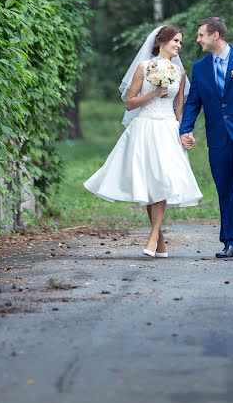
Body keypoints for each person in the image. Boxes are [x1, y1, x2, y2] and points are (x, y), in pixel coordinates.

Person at [84, 25, 202, 258]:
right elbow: (129, 103)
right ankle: (159, 241)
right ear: (162, 42)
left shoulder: (180, 72)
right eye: (176, 41)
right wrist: (154, 94)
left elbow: (180, 107)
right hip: (145, 126)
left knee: (163, 179)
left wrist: (185, 133)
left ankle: (154, 235)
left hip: (167, 128)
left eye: (181, 42)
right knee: (151, 182)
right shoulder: (143, 67)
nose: (179, 45)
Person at [179, 17, 233, 261]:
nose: (197, 40)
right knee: (224, 190)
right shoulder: (200, 67)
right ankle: (229, 241)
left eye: (201, 35)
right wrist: (185, 129)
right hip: (218, 139)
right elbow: (194, 101)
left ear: (215, 35)